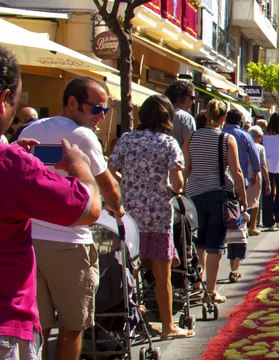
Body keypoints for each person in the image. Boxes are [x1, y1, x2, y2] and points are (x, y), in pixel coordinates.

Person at [0, 46, 101, 360]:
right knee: (72, 325)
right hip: (7, 319)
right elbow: (88, 208)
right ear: (4, 99)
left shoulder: (16, 158)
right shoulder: (13, 165)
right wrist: (80, 166)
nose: (100, 116)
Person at [20, 77, 124, 360]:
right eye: (96, 109)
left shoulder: (31, 130)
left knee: (37, 326)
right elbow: (108, 186)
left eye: (105, 109)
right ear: (72, 103)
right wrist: (117, 207)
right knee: (73, 325)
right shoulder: (82, 136)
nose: (101, 117)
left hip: (28, 240)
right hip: (69, 240)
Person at [108, 95, 192, 339]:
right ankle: (168, 326)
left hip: (130, 215)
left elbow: (110, 170)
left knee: (130, 268)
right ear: (167, 117)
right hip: (158, 215)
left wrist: (127, 186)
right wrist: (171, 190)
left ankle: (130, 322)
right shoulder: (168, 143)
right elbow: (177, 182)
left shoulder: (127, 139)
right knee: (161, 274)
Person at [183, 99, 246, 304]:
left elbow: (187, 168)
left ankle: (198, 286)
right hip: (218, 193)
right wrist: (242, 195)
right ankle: (210, 292)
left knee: (199, 242)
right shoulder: (226, 139)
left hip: (194, 194)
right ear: (223, 118)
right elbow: (235, 171)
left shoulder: (191, 137)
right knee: (216, 245)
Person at [222, 109, 261, 282]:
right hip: (237, 187)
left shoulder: (219, 134)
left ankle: (202, 276)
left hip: (213, 187)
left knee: (210, 234)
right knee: (236, 228)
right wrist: (255, 173)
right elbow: (254, 158)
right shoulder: (245, 136)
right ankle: (234, 268)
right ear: (240, 121)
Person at [245, 126, 270, 236]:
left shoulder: (243, 145)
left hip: (244, 175)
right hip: (255, 175)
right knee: (255, 201)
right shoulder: (260, 147)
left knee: (243, 200)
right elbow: (263, 165)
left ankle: (243, 225)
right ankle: (252, 226)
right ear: (258, 137)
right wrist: (268, 181)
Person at [164, 80, 197, 147]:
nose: (193, 102)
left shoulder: (159, 113)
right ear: (180, 97)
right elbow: (190, 146)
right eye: (192, 98)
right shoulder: (186, 118)